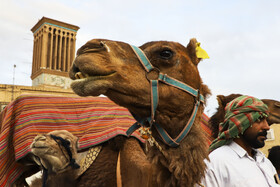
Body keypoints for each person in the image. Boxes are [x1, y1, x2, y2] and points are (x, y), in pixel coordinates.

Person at [201, 95, 280, 187]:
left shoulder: (264, 162)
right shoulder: (215, 163)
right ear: (241, 124)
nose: (267, 127)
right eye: (259, 120)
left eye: (266, 120)